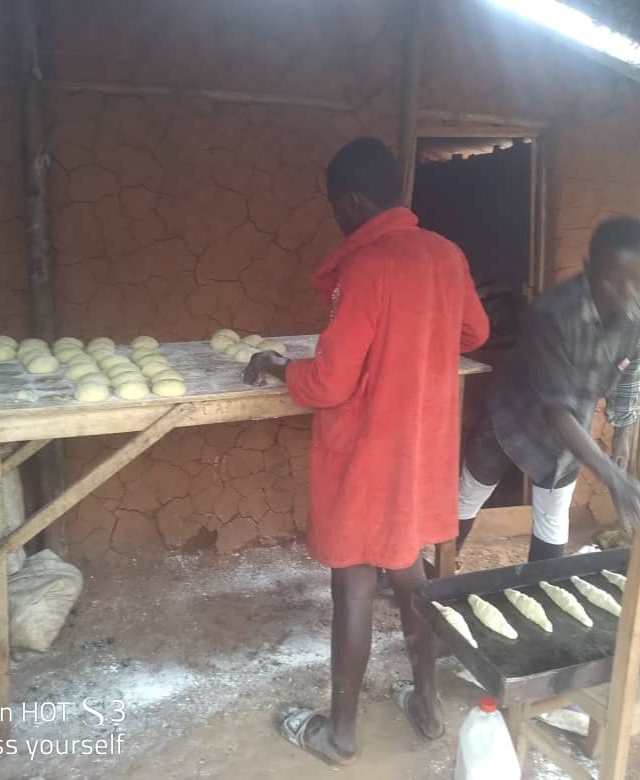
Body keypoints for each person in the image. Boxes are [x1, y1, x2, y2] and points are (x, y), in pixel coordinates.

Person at [243, 137, 489, 766]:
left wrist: (277, 366)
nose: (337, 218)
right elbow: (475, 331)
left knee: (353, 581)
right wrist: (420, 339)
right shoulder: (446, 253)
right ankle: (428, 707)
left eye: (335, 207)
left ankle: (340, 735)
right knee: (408, 572)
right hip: (419, 450)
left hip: (370, 454)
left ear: (352, 201)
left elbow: (329, 382)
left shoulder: (367, 266)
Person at [456, 216, 640, 563]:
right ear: (589, 267)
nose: (627, 292)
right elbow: (556, 411)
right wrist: (612, 476)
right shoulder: (553, 313)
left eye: (638, 280)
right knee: (470, 495)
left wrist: (622, 435)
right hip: (512, 420)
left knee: (552, 518)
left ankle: (541, 588)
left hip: (569, 436)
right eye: (613, 279)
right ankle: (439, 573)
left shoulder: (636, 311)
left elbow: (630, 368)